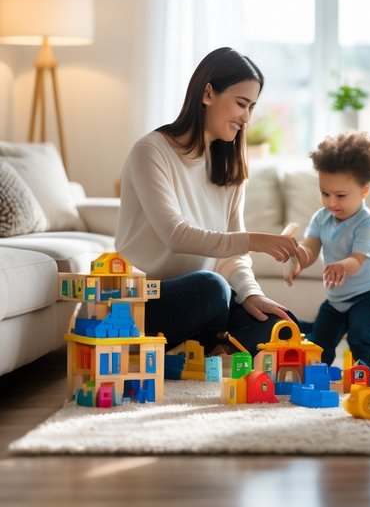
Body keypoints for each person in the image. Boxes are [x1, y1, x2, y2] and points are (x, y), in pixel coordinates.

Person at [116, 47, 306, 355]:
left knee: (283, 326)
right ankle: (211, 345)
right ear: (208, 94)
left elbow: (232, 258)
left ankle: (211, 345)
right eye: (241, 104)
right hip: (143, 301)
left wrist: (250, 294)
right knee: (211, 288)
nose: (246, 118)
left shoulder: (229, 168)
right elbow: (175, 235)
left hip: (209, 303)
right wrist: (254, 241)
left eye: (251, 107)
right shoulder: (150, 152)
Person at [285, 130, 370, 369]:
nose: (331, 202)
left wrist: (342, 266)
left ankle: (364, 379)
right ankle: (317, 375)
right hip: (337, 298)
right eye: (325, 193)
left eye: (341, 195)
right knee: (320, 342)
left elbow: (357, 259)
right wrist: (298, 259)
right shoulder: (322, 218)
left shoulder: (365, 223)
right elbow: (311, 248)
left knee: (360, 337)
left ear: (365, 190)